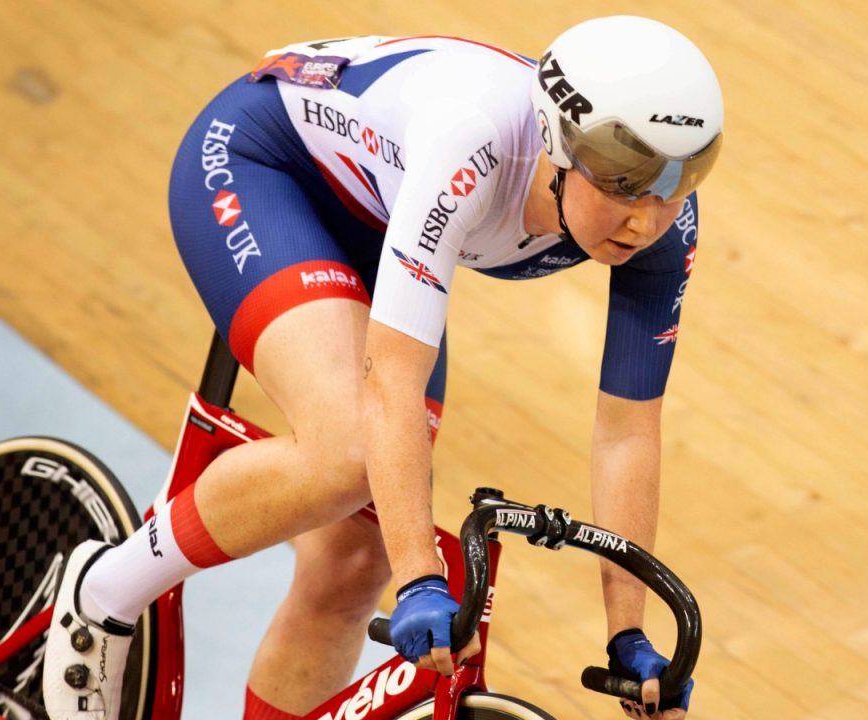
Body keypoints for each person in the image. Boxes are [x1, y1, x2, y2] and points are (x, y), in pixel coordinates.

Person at [43, 15, 722, 720]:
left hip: (386, 214)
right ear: (556, 141)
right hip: (264, 167)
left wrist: (628, 633)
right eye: (621, 183)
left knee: (355, 564)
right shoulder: (473, 143)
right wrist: (421, 580)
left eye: (674, 184)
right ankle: (104, 591)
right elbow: (391, 383)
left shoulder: (665, 222)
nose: (646, 219)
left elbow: (628, 434)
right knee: (349, 454)